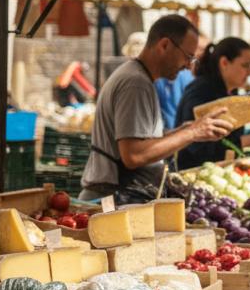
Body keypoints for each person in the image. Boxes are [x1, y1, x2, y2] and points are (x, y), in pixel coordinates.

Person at [81, 15, 232, 202]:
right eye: (188, 56)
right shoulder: (135, 83)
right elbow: (134, 155)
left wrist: (181, 131)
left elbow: (143, 142)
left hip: (120, 199)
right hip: (113, 202)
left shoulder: (139, 78)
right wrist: (193, 132)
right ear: (165, 45)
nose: (187, 66)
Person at [174, 37, 250, 169]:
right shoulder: (201, 92)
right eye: (245, 65)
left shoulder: (231, 92)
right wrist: (245, 142)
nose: (249, 72)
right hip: (194, 173)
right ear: (224, 63)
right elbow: (196, 146)